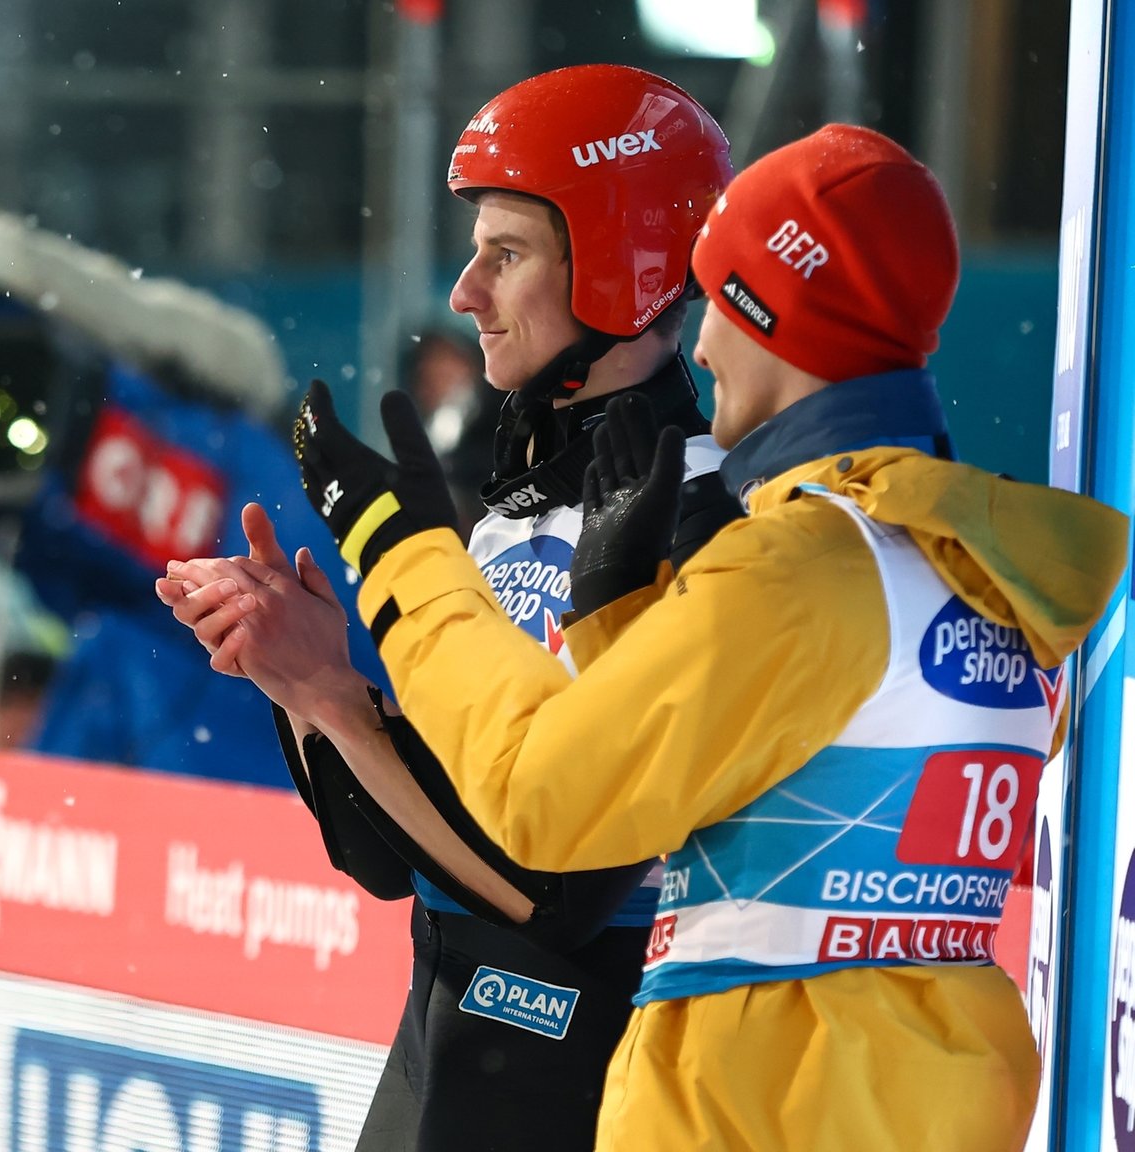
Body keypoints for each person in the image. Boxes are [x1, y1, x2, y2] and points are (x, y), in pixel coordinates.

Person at [270, 124, 1126, 1149]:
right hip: (907, 1094)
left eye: (720, 300)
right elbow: (775, 789)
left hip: (761, 1104)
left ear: (773, 318)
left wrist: (400, 551)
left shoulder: (802, 564)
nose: (703, 341)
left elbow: (545, 805)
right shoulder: (970, 564)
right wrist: (619, 620)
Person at [159, 64, 739, 1150]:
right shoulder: (515, 504)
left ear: (618, 264)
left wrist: (334, 697)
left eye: (503, 254)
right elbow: (392, 858)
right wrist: (300, 678)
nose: (464, 293)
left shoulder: (690, 514)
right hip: (456, 1049)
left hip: (584, 1085)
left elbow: (549, 893)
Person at [397, 327, 492, 538]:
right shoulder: (428, 445)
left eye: (446, 360)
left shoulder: (508, 412)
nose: (440, 376)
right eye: (427, 375)